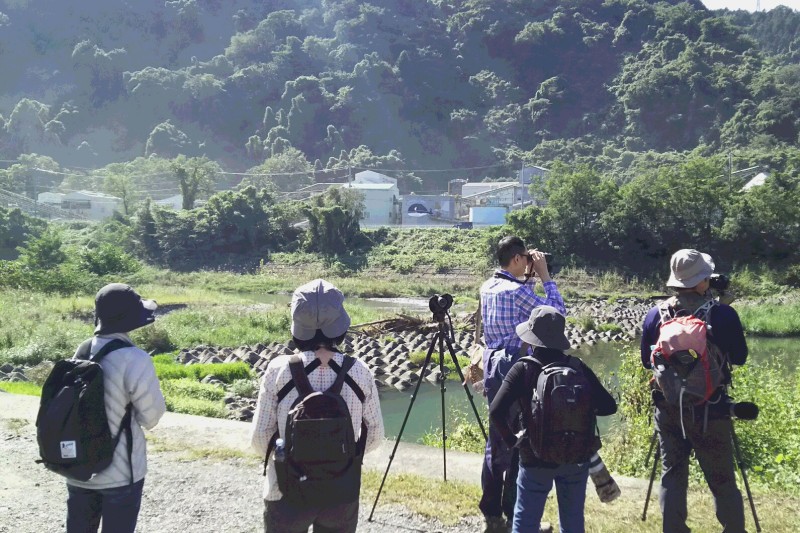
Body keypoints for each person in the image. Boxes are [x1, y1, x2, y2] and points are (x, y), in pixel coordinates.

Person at [250, 279, 384, 533]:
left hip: (286, 491)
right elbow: (374, 437)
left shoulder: (278, 370)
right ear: (340, 328)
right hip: (341, 492)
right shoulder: (360, 371)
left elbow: (259, 439)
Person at [640, 249, 749, 533]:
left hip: (668, 409)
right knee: (723, 478)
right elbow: (739, 357)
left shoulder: (655, 315)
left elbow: (645, 361)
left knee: (672, 475)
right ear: (702, 282)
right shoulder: (723, 314)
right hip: (712, 409)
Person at [490, 306, 617, 533]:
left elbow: (496, 411)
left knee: (525, 519)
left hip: (534, 455)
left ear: (532, 339)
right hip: (575, 456)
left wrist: (513, 442)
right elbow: (609, 406)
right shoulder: (577, 367)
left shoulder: (523, 368)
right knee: (572, 518)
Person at [479, 236, 566, 532]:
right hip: (518, 371)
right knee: (521, 441)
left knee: (496, 442)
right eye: (526, 259)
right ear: (517, 259)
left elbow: (520, 301)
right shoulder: (517, 292)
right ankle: (519, 515)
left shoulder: (488, 287)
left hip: (493, 368)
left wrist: (528, 276)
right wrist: (545, 277)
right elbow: (555, 316)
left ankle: (492, 512)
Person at [66, 283, 166, 533]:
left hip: (79, 467)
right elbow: (151, 417)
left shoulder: (82, 349)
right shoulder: (136, 359)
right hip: (120, 473)